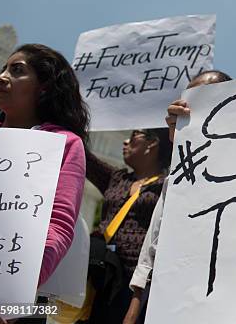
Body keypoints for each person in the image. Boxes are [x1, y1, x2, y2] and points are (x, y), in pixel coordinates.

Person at [122, 70, 232, 324]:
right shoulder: (177, 178)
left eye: (202, 97)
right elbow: (154, 243)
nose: (185, 107)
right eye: (186, 98)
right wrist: (136, 304)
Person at [0, 43, 89, 323]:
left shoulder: (65, 144)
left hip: (22, 301)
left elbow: (59, 224)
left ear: (44, 87)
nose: (1, 77)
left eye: (17, 71)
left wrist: (11, 295)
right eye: (3, 69)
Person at [84, 127, 172, 323]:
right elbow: (85, 158)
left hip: (131, 284)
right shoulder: (117, 178)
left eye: (133, 137)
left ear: (152, 143)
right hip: (100, 273)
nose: (125, 142)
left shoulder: (167, 187)